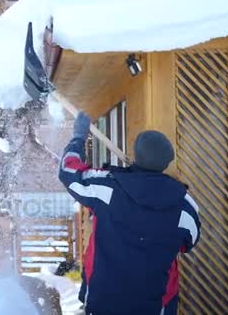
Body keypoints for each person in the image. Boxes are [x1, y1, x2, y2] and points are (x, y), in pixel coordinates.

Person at [58, 112, 201, 315]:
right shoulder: (184, 206)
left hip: (103, 302)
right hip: (155, 306)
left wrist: (78, 137)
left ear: (136, 155)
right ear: (167, 162)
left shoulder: (107, 187)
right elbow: (189, 242)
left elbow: (69, 173)